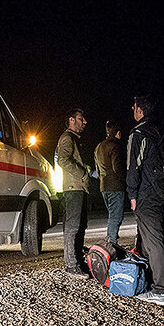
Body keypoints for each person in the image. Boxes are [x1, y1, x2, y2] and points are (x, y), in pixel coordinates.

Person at [126, 94, 164, 305]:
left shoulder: (139, 133)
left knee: (154, 241)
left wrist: (132, 194)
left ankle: (160, 289)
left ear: (139, 110)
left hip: (149, 195)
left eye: (133, 107)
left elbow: (134, 167)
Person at [55, 109, 90, 278]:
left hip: (79, 188)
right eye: (81, 119)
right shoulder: (67, 138)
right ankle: (71, 265)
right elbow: (63, 160)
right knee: (73, 227)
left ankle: (78, 261)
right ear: (71, 120)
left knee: (80, 227)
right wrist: (83, 173)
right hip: (72, 188)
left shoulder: (74, 139)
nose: (85, 122)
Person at [94, 119, 126, 246]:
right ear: (118, 133)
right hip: (116, 186)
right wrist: (127, 182)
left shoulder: (98, 147)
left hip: (104, 186)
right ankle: (111, 244)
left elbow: (97, 169)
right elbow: (118, 168)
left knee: (112, 215)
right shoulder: (115, 146)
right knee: (116, 217)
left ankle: (111, 241)